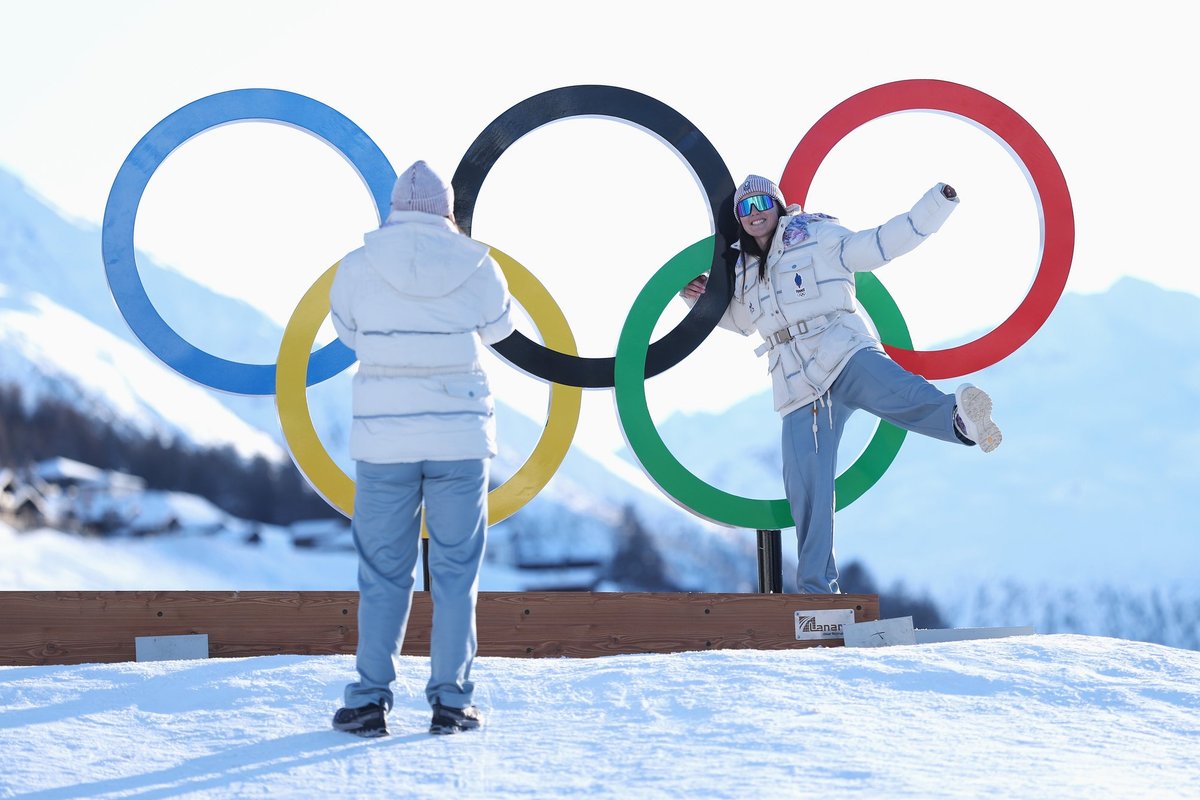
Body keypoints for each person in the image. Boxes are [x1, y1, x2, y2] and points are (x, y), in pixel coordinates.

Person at [682, 175, 1001, 594]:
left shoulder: (815, 233)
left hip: (842, 350)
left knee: (900, 394)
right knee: (807, 491)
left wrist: (935, 205)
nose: (754, 211)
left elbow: (882, 243)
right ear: (738, 219)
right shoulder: (742, 271)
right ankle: (817, 594)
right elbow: (742, 322)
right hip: (797, 389)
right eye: (744, 207)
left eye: (762, 201)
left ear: (778, 205)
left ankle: (961, 420)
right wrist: (699, 299)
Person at [328, 160, 514, 737]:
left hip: (384, 441)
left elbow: (347, 333)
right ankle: (452, 703)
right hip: (459, 440)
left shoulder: (357, 266)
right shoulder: (478, 265)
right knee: (457, 574)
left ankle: (368, 701)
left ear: (393, 207)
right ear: (447, 211)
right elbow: (501, 330)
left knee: (384, 574)